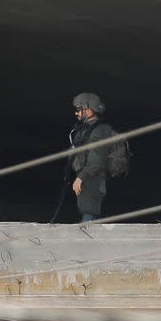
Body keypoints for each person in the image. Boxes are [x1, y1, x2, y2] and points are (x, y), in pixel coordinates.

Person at [67, 92, 113, 223]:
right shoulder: (83, 130)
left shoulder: (99, 130)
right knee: (89, 213)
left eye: (79, 109)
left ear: (88, 110)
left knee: (89, 214)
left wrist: (81, 177)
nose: (76, 113)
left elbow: (96, 160)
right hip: (87, 178)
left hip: (93, 179)